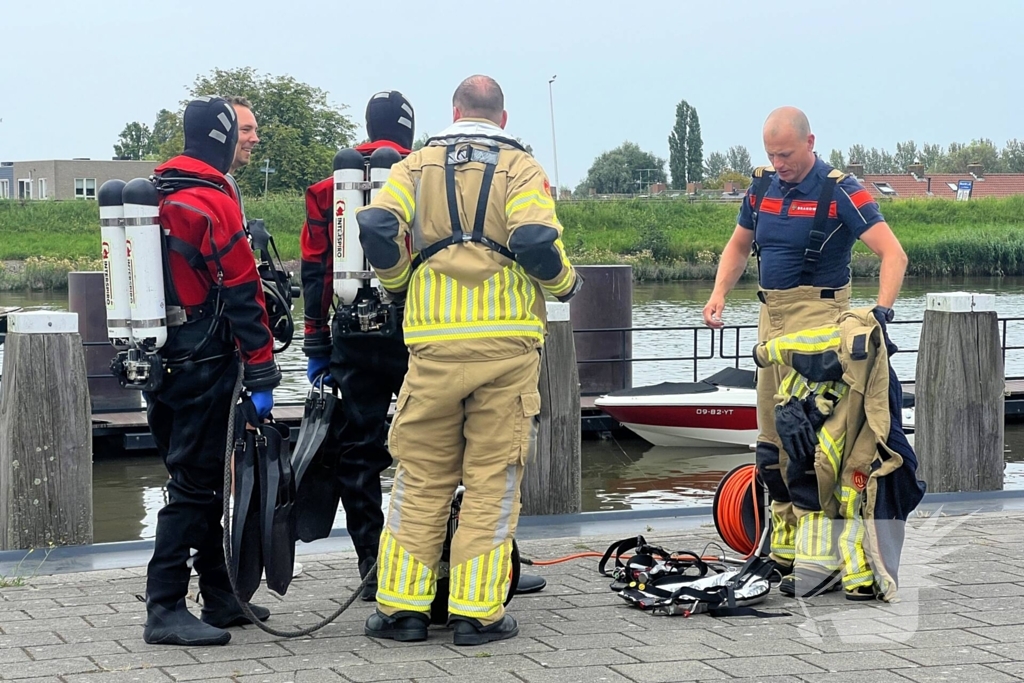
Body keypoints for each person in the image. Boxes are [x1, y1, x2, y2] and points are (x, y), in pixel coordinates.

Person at [356, 75, 583, 645]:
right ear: (502, 118)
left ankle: (402, 612)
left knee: (420, 477)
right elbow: (534, 241)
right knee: (491, 481)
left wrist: (399, 281)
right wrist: (565, 285)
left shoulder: (415, 165)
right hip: (505, 348)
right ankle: (476, 615)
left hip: (432, 346)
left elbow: (377, 226)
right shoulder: (521, 168)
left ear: (454, 112)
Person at [702, 106, 908, 596]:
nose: (779, 164)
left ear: (810, 143)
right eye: (772, 155)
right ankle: (784, 550)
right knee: (773, 442)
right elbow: (738, 246)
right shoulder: (760, 189)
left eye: (787, 155)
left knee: (810, 442)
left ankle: (827, 559)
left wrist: (880, 312)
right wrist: (718, 294)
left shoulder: (841, 191)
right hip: (770, 322)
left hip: (819, 323)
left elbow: (893, 254)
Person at [142, 95, 281, 646]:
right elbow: (243, 290)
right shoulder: (210, 202)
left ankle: (220, 594)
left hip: (160, 359)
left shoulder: (155, 193)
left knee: (195, 478)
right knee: (196, 486)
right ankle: (164, 606)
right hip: (204, 359)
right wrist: (263, 369)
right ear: (222, 139)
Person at [300, 90, 416, 601]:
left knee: (358, 451)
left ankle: (371, 564)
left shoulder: (328, 189)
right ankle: (440, 558)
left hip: (352, 329)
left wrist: (316, 343)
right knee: (438, 444)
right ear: (408, 129)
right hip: (415, 329)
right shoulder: (422, 175)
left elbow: (314, 269)